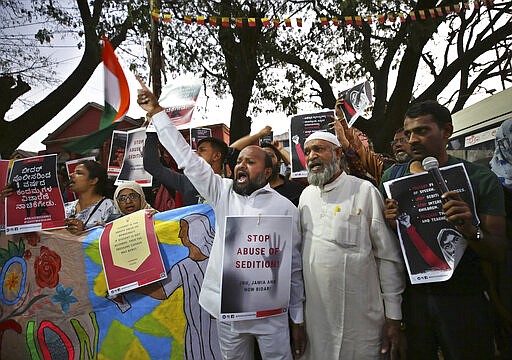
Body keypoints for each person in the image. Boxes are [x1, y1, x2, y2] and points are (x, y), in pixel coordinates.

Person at [136, 78, 306, 360]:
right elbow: (188, 160)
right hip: (228, 312)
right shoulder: (222, 192)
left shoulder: (286, 208)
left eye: (250, 162)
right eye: (239, 161)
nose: (241, 165)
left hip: (271, 314)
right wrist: (157, 114)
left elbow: (294, 268)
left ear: (266, 173)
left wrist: (298, 319)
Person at [381, 100, 507, 360]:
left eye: (422, 131)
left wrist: (472, 230)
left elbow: (498, 250)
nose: (413, 139)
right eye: (408, 133)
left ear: (447, 131)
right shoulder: (391, 179)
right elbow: (386, 247)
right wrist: (391, 225)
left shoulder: (480, 179)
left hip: (464, 298)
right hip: (413, 301)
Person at [299, 131, 405, 359]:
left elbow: (387, 257)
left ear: (338, 153)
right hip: (317, 322)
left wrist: (394, 316)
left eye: (319, 149)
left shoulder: (364, 190)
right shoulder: (305, 197)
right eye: (307, 151)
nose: (311, 156)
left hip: (361, 320)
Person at [144, 131, 228, 206]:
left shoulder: (230, 187)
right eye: (196, 150)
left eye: (202, 150)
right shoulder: (185, 182)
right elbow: (152, 166)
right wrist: (152, 133)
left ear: (217, 156)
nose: (196, 154)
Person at [63, 160, 117, 233]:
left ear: (93, 180)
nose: (71, 175)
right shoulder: (65, 208)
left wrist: (84, 232)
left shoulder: (109, 207)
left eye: (79, 173)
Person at [260, 142, 305, 207]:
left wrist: (281, 150)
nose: (264, 159)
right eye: (259, 157)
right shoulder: (249, 191)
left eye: (270, 156)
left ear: (279, 163)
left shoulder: (298, 191)